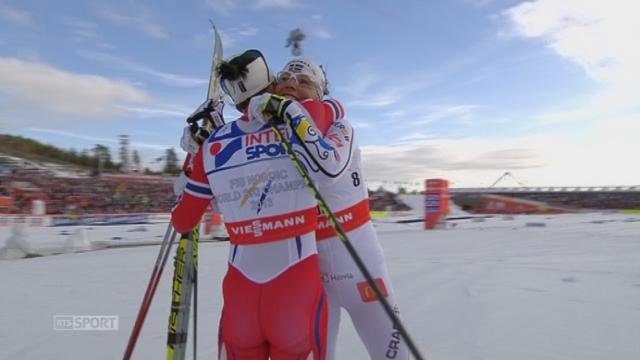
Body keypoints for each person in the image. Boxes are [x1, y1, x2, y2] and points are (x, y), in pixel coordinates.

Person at [171, 49, 348, 360]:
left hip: (241, 298)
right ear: (271, 85)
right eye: (281, 80)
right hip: (296, 292)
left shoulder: (214, 143)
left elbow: (183, 221)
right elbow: (332, 108)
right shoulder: (303, 120)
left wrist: (191, 163)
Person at [273, 57, 410, 360]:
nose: (292, 85)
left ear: (321, 94)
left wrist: (300, 111)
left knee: (394, 354)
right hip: (310, 270)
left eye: (304, 81)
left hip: (360, 264)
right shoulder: (272, 139)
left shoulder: (339, 125)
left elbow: (329, 166)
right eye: (284, 79)